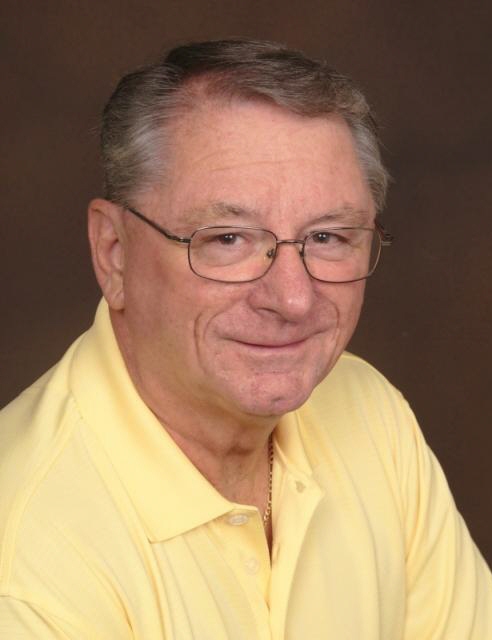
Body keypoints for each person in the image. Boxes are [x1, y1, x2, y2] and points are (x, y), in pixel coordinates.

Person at [0, 39, 490, 639]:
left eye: (329, 237)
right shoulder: (26, 563)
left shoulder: (369, 411)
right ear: (114, 252)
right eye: (227, 239)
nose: (293, 299)